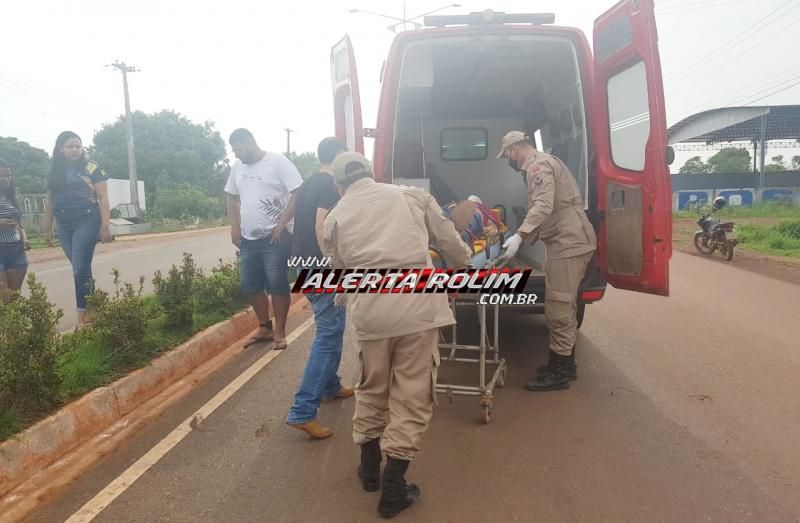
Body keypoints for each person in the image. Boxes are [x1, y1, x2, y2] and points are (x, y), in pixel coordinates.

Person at [322, 152, 471, 518]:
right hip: (417, 309)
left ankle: (369, 469)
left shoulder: (336, 216)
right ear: (372, 174)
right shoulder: (410, 196)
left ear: (339, 185)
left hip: (372, 315)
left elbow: (338, 271)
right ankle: (393, 488)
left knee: (373, 387)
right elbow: (448, 240)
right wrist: (464, 264)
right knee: (411, 394)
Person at [495, 130, 597, 392]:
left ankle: (559, 370)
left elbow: (543, 205)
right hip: (567, 239)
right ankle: (566, 363)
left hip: (569, 241)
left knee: (559, 307)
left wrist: (519, 236)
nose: (508, 159)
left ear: (516, 148)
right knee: (564, 304)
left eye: (507, 153)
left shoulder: (537, 166)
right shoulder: (543, 162)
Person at [285, 137, 353, 439]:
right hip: (320, 267)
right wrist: (333, 264)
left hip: (305, 264)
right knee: (327, 334)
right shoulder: (328, 184)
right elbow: (320, 225)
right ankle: (303, 411)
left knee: (333, 327)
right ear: (337, 156)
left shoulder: (311, 181)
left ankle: (330, 386)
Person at [225, 128, 303, 350]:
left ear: (250, 142)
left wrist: (282, 224)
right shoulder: (237, 167)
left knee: (277, 285)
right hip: (248, 238)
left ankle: (280, 331)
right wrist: (235, 227)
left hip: (275, 237)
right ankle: (265, 326)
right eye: (234, 151)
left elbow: (298, 192)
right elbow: (231, 196)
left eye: (239, 149)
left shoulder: (278, 163)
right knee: (249, 285)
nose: (237, 155)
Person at [42, 131, 112, 327]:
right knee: (82, 269)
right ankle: (93, 307)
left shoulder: (91, 167)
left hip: (87, 221)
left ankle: (81, 318)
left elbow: (103, 197)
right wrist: (47, 227)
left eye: (77, 146)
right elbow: (50, 200)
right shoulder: (55, 171)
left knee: (79, 269)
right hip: (64, 225)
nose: (74, 150)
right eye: (70, 146)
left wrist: (105, 226)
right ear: (60, 149)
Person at [0, 160, 29, 303]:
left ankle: (14, 326)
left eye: (7, 175)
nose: (4, 179)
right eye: (1, 175)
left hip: (16, 250)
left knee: (14, 297)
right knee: (3, 295)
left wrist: (25, 239)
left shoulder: (13, 197)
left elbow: (19, 224)